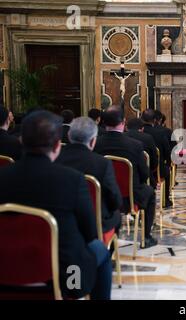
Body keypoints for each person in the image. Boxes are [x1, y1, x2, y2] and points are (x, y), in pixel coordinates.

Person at [0, 110, 112, 299]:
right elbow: (90, 233)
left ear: (20, 141)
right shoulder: (73, 180)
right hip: (65, 278)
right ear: (58, 145)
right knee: (99, 248)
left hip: (6, 270)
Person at [95, 106, 157, 248]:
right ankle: (146, 237)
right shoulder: (135, 145)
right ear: (123, 122)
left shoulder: (96, 143)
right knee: (150, 193)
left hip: (102, 196)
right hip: (129, 197)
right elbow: (144, 173)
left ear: (104, 123)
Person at [56, 117, 122, 234]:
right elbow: (115, 200)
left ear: (69, 136)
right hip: (94, 223)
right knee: (116, 215)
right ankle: (107, 250)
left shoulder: (56, 159)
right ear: (93, 141)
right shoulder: (102, 163)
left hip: (62, 220)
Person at [141, 109, 172, 208]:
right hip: (157, 170)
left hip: (139, 170)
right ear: (155, 120)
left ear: (141, 119)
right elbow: (168, 151)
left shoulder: (135, 135)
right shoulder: (161, 133)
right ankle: (166, 200)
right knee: (167, 171)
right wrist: (168, 164)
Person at [125, 118, 158, 188]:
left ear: (126, 128)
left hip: (120, 177)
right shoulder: (148, 138)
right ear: (142, 128)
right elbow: (154, 161)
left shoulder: (122, 137)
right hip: (141, 177)